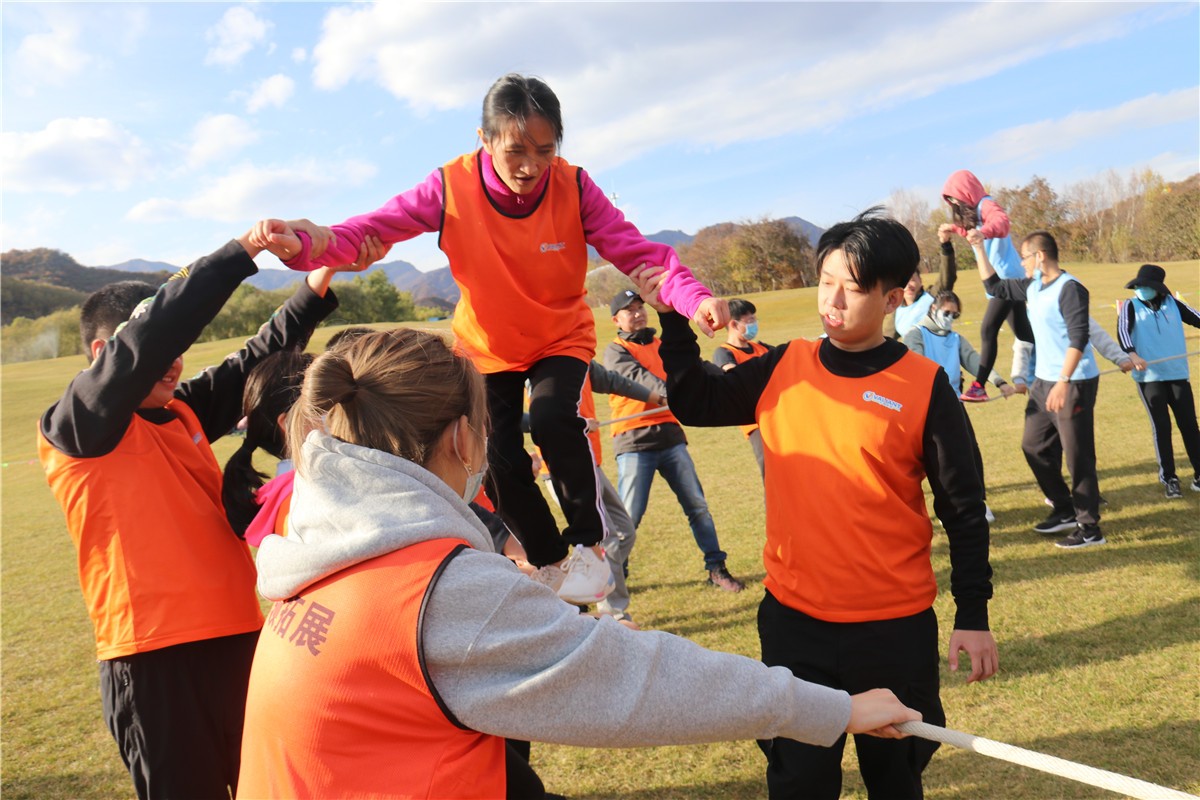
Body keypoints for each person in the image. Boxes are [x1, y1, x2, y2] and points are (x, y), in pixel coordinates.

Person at [236, 327, 921, 798]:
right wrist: (836, 708)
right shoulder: (438, 589)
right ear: (463, 438)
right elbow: (643, 685)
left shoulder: (325, 540)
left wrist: (556, 631)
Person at [273, 73, 730, 605]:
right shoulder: (449, 187)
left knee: (555, 418)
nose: (531, 166)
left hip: (559, 336)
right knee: (494, 453)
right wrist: (308, 244)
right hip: (487, 347)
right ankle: (548, 559)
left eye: (545, 151)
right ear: (484, 139)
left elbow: (641, 254)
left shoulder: (574, 186)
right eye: (516, 150)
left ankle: (589, 545)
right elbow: (368, 230)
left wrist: (694, 299)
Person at [642, 209, 998, 800]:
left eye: (851, 288)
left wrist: (974, 614)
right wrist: (672, 320)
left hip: (893, 631)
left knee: (896, 778)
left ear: (891, 298)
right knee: (798, 780)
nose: (832, 300)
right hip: (795, 626)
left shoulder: (924, 384)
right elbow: (697, 402)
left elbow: (963, 507)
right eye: (825, 280)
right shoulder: (785, 365)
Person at [37, 219, 364, 798]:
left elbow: (255, 358)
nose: (174, 361)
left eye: (179, 352)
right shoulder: (78, 426)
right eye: (162, 348)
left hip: (241, 639)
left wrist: (322, 274)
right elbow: (159, 329)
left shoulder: (180, 411)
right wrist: (245, 250)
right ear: (104, 354)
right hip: (154, 659)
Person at [605, 289, 747, 593]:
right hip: (634, 440)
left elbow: (692, 368)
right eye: (629, 310)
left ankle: (717, 568)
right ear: (616, 320)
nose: (638, 314)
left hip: (670, 436)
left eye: (640, 307)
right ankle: (615, 576)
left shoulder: (660, 345)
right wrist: (677, 393)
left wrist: (726, 376)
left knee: (697, 506)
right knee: (628, 517)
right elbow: (641, 381)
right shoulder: (616, 351)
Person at [969, 228, 1103, 548]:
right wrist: (978, 248)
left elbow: (1079, 338)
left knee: (1077, 455)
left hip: (1073, 382)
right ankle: (1064, 507)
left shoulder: (1070, 289)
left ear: (1040, 256)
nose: (1022, 263)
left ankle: (1089, 528)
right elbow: (994, 286)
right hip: (1043, 381)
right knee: (1033, 446)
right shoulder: (1033, 286)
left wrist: (1063, 382)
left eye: (1025, 257)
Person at [903, 290, 1014, 522]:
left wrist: (999, 382)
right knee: (939, 462)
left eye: (955, 315)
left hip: (954, 404)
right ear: (933, 308)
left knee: (970, 453)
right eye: (947, 313)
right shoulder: (916, 334)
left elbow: (974, 361)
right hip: (927, 409)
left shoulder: (955, 338)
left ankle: (978, 503)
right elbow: (916, 368)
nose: (950, 318)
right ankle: (945, 509)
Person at [943, 169, 1035, 402]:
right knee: (1024, 333)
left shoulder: (986, 203)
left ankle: (979, 386)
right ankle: (1049, 364)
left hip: (1005, 278)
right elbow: (974, 233)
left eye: (955, 198)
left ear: (966, 192)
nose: (955, 204)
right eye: (951, 201)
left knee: (988, 329)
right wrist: (954, 229)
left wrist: (982, 232)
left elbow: (1002, 223)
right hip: (1002, 277)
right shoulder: (976, 212)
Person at [1117, 264, 1200, 498]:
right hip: (1149, 378)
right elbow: (1123, 332)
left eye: (1145, 286)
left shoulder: (1174, 304)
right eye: (1138, 285)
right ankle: (1170, 478)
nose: (1141, 289)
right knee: (1162, 427)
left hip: (1177, 375)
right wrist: (1132, 354)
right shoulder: (1130, 306)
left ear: (1158, 288)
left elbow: (1197, 318)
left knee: (1190, 426)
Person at [224, 349, 314, 544]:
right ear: (289, 423)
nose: (338, 411)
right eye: (324, 404)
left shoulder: (293, 493)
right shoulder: (307, 499)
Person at [713, 297, 774, 477]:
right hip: (755, 423)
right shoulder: (724, 353)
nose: (754, 324)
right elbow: (735, 380)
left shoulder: (762, 349)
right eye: (750, 320)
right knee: (770, 471)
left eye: (755, 319)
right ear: (734, 324)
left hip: (777, 416)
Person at [889, 223, 958, 340]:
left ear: (920, 281)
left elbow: (947, 277)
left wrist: (945, 244)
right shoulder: (898, 310)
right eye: (904, 282)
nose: (908, 285)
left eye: (912, 279)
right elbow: (886, 339)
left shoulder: (932, 297)